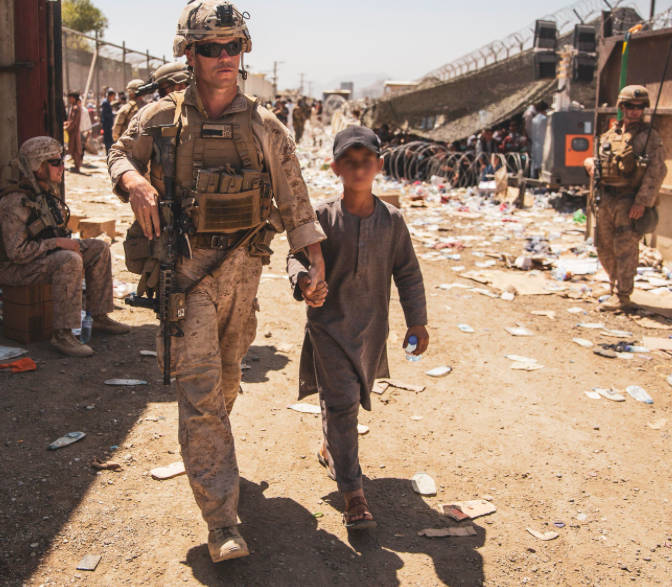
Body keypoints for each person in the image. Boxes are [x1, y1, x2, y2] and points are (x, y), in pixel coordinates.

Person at [107, 0, 326, 563]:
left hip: (243, 273)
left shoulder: (264, 127)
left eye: (233, 46)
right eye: (211, 48)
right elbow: (117, 153)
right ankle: (222, 520)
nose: (224, 57)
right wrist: (133, 181)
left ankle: (215, 460)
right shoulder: (160, 119)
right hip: (184, 274)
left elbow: (295, 200)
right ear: (189, 52)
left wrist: (313, 261)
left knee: (228, 381)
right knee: (201, 393)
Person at [287, 126, 429, 530]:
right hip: (329, 328)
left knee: (341, 400)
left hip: (370, 332)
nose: (359, 168)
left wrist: (417, 321)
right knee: (344, 400)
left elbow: (409, 274)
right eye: (349, 161)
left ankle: (332, 447)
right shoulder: (322, 218)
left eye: (366, 160)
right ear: (336, 167)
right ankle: (354, 493)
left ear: (379, 166)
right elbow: (296, 258)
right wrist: (303, 281)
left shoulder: (392, 221)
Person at [0, 137, 130, 357]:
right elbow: (17, 253)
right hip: (13, 269)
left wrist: (63, 242)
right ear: (37, 166)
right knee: (69, 260)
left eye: (62, 160)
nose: (62, 167)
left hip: (38, 259)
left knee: (99, 248)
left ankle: (98, 316)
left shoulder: (46, 194)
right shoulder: (15, 202)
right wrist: (59, 244)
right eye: (55, 162)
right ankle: (63, 334)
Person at [584, 85, 667, 312]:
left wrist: (642, 201)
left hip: (628, 201)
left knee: (625, 247)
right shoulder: (610, 135)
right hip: (606, 198)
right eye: (630, 106)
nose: (635, 111)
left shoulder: (649, 137)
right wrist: (589, 163)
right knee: (603, 245)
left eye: (640, 107)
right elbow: (598, 160)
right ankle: (613, 285)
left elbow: (657, 171)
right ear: (622, 107)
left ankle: (623, 296)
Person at [63, 91, 82, 173]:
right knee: (74, 150)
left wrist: (66, 128)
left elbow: (73, 122)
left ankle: (77, 167)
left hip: (74, 132)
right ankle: (76, 166)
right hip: (73, 132)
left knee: (75, 150)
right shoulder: (75, 107)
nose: (69, 100)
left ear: (74, 98)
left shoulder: (75, 108)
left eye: (70, 98)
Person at [530, 102, 549, 178]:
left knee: (535, 163)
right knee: (541, 164)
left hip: (535, 144)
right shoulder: (544, 119)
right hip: (542, 144)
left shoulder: (534, 119)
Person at [101, 89, 117, 154]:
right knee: (108, 141)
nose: (113, 98)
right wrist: (114, 114)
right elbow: (105, 115)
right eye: (113, 96)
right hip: (107, 126)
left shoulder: (107, 103)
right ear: (110, 96)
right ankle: (108, 154)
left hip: (108, 125)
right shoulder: (105, 103)